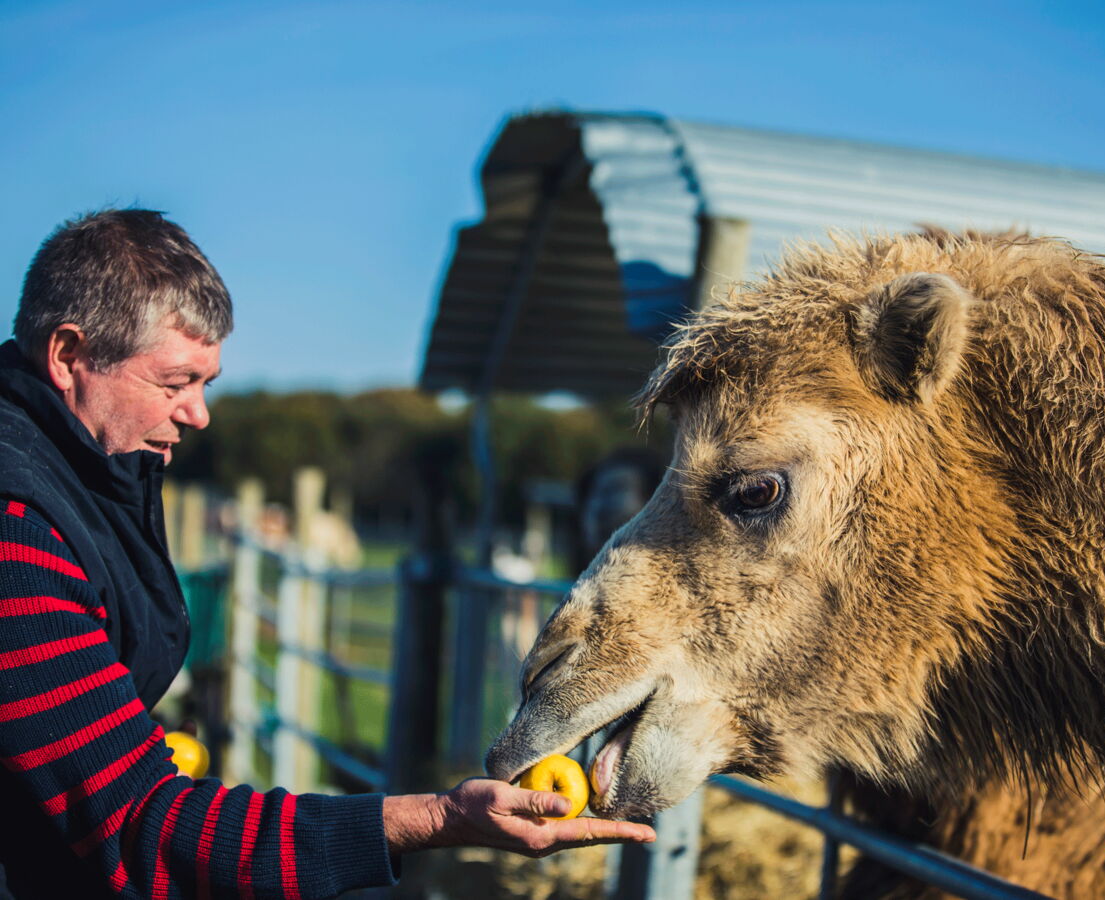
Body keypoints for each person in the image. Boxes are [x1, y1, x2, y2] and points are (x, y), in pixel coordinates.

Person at [0, 210, 654, 899]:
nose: (199, 414)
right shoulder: (18, 530)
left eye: (206, 384)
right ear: (69, 356)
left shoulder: (89, 469)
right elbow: (146, 828)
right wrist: (437, 817)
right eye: (174, 382)